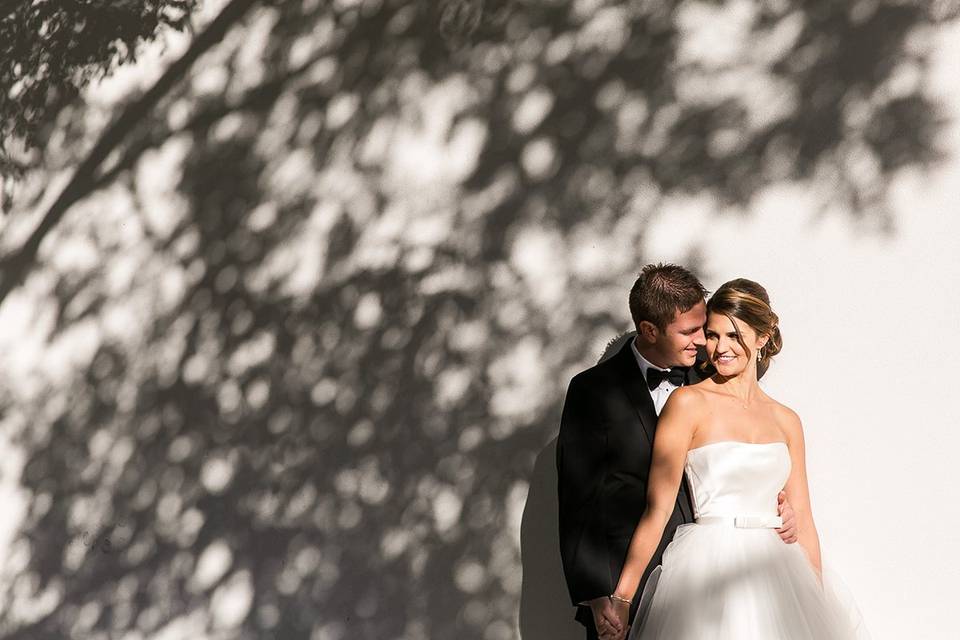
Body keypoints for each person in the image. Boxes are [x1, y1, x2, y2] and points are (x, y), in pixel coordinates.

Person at [607, 278, 869, 639]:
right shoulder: (687, 404)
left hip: (777, 570)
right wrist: (622, 597)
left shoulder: (786, 419)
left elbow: (804, 518)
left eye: (734, 336)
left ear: (762, 337)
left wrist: (817, 601)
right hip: (707, 572)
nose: (719, 348)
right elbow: (658, 509)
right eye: (713, 335)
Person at [556, 265, 799, 640]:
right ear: (650, 330)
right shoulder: (593, 391)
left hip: (705, 580)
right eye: (691, 332)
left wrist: (779, 507)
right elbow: (578, 500)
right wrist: (596, 594)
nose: (705, 341)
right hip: (622, 583)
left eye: (705, 328)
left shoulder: (714, 377)